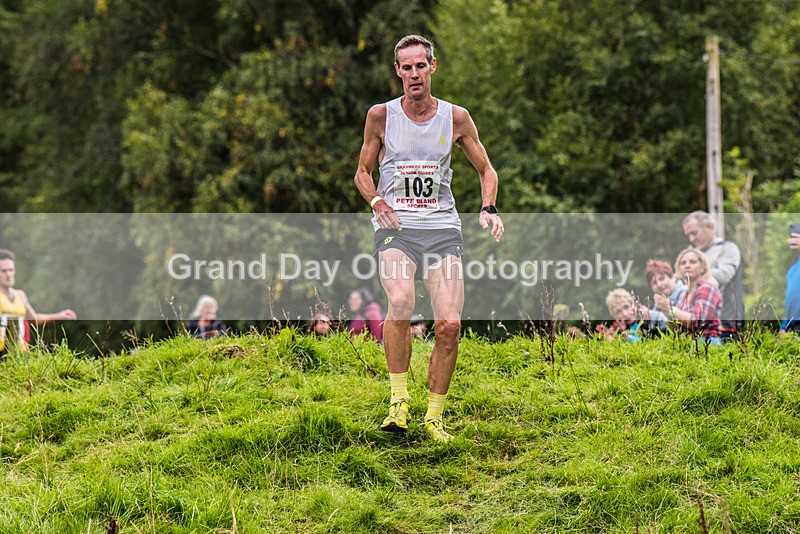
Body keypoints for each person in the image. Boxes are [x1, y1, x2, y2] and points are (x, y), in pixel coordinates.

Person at [354, 34, 504, 442]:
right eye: (407, 67)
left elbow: (486, 170)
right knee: (401, 300)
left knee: (450, 325)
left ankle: (434, 417)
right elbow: (363, 172)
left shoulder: (456, 118)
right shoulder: (380, 116)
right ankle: (399, 401)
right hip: (397, 230)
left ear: (432, 67)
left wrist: (488, 207)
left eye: (421, 65)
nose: (414, 74)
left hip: (441, 230)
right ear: (397, 72)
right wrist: (377, 202)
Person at [0, 248, 77, 355]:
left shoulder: (20, 295)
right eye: (3, 271)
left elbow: (34, 319)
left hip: (20, 354)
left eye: (11, 270)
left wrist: (59, 316)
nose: (8, 274)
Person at [682, 211, 743, 341]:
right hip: (698, 327)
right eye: (688, 235)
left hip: (726, 324)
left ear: (709, 226)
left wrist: (693, 275)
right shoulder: (693, 253)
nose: (691, 239)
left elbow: (724, 275)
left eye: (694, 233)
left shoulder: (728, 248)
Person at [654, 248, 723, 345]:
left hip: (707, 343)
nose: (687, 265)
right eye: (683, 263)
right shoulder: (686, 294)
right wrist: (667, 312)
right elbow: (675, 331)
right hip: (690, 344)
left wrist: (670, 309)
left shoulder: (707, 287)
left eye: (692, 262)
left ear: (702, 268)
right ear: (679, 270)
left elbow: (699, 322)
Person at [598, 288, 668, 342]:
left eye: (626, 307)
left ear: (634, 304)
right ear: (614, 316)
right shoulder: (617, 329)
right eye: (618, 311)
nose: (625, 314)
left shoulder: (653, 316)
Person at [779, 225, 800, 334]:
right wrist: (784, 325)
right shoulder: (793, 269)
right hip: (793, 326)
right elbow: (793, 301)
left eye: (795, 236)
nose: (790, 240)